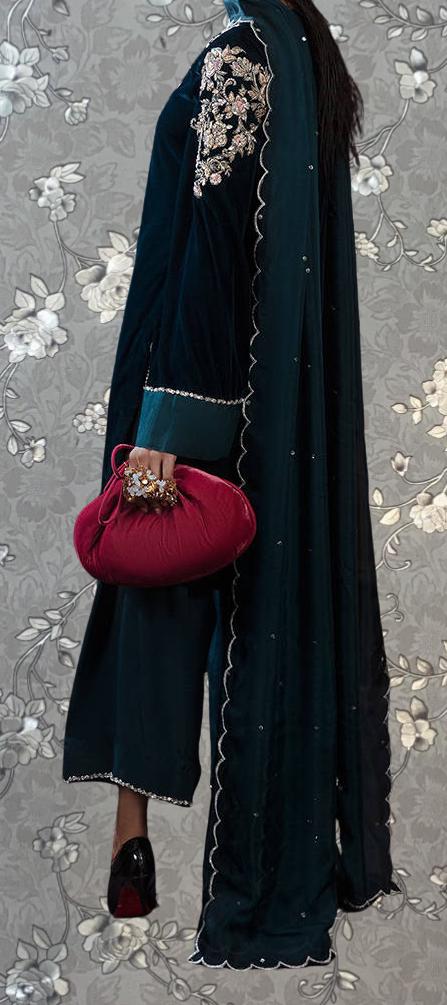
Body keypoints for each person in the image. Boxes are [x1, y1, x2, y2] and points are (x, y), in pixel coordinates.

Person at [63, 0, 399, 970]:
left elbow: (213, 247)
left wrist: (163, 427)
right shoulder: (303, 56)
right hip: (273, 397)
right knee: (215, 599)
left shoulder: (240, 61)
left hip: (193, 382)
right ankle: (175, 841)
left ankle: (138, 830)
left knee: (150, 573)